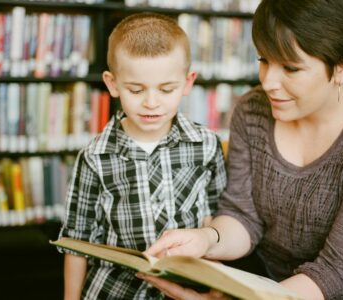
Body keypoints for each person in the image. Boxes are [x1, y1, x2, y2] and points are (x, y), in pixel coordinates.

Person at [142, 1, 343, 300]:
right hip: (265, 270)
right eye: (264, 59)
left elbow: (337, 271)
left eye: (290, 68)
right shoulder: (251, 110)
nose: (268, 81)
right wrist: (206, 239)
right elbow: (243, 216)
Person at [57, 13, 227, 300]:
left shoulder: (207, 145)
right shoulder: (95, 156)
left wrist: (217, 287)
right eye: (136, 89)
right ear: (112, 84)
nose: (151, 103)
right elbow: (76, 241)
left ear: (187, 83)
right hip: (114, 290)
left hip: (186, 289)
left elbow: (216, 222)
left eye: (166, 89)